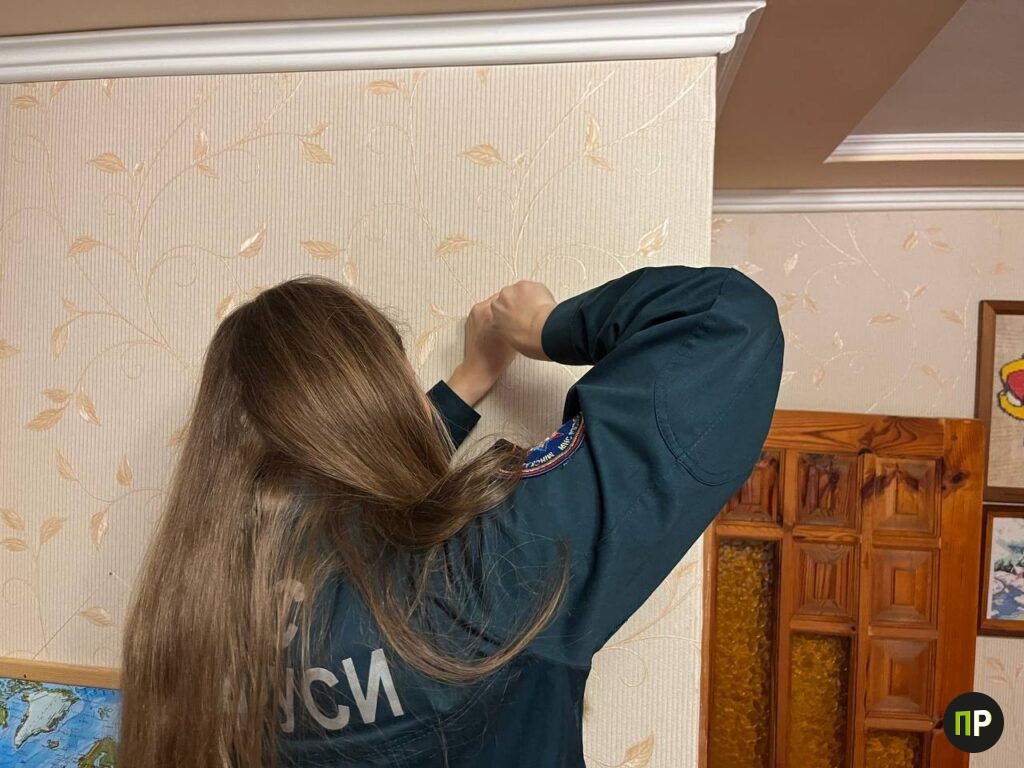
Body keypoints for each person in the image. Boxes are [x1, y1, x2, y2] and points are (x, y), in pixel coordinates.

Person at [120, 265, 784, 767]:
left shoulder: (203, 617)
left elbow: (353, 512)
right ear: (375, 398)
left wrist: (469, 379)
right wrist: (544, 326)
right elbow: (728, 320)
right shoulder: (487, 574)